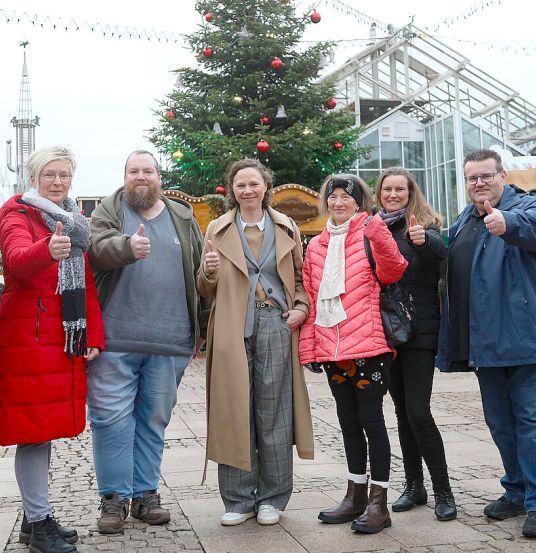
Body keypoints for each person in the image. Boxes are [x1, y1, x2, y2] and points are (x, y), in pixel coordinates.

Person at [436, 149, 536, 541]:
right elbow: (451, 255)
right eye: (472, 178)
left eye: (486, 176)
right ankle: (516, 490)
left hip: (531, 340)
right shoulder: (467, 219)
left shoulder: (529, 206)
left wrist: (506, 222)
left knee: (535, 423)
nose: (479, 183)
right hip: (487, 343)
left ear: (503, 175)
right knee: (501, 424)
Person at [87, 150, 207, 534]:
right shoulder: (108, 211)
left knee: (154, 421)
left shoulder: (183, 217)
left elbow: (200, 274)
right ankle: (113, 499)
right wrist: (127, 247)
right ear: (124, 176)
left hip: (171, 340)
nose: (141, 177)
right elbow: (94, 249)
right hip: (114, 340)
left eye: (148, 171)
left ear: (159, 176)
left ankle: (145, 495)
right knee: (110, 420)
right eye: (133, 171)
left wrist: (204, 319)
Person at [0, 146, 104, 553]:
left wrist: (92, 334)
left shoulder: (72, 220)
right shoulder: (17, 212)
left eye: (64, 175)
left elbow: (85, 282)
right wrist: (47, 251)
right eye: (49, 175)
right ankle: (39, 525)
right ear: (33, 176)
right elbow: (16, 261)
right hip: (31, 338)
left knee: (44, 431)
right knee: (34, 433)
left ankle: (33, 517)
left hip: (59, 338)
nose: (58, 182)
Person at [196, 159, 314, 527]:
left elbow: (299, 278)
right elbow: (205, 288)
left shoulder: (285, 226)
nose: (248, 191)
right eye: (240, 185)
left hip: (275, 323)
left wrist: (300, 308)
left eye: (254, 184)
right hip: (232, 325)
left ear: (266, 186)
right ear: (232, 190)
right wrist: (209, 272)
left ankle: (272, 498)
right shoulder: (217, 228)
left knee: (274, 411)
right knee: (234, 409)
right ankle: (237, 499)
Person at [299, 174, 408, 534]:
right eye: (334, 196)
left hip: (369, 346)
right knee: (347, 423)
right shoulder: (315, 245)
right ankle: (354, 495)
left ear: (359, 202)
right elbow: (313, 300)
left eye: (348, 196)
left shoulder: (371, 233)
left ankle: (380, 502)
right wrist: (311, 345)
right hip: (333, 347)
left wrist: (378, 232)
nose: (339, 202)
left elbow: (394, 271)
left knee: (371, 421)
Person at [375, 168, 457, 521]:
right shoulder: (374, 227)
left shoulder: (424, 224)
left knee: (419, 412)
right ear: (379, 193)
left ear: (411, 193)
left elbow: (442, 256)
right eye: (387, 189)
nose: (393, 194)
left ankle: (443, 490)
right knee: (402, 412)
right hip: (387, 331)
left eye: (400, 190)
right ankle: (414, 485)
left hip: (420, 330)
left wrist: (424, 241)